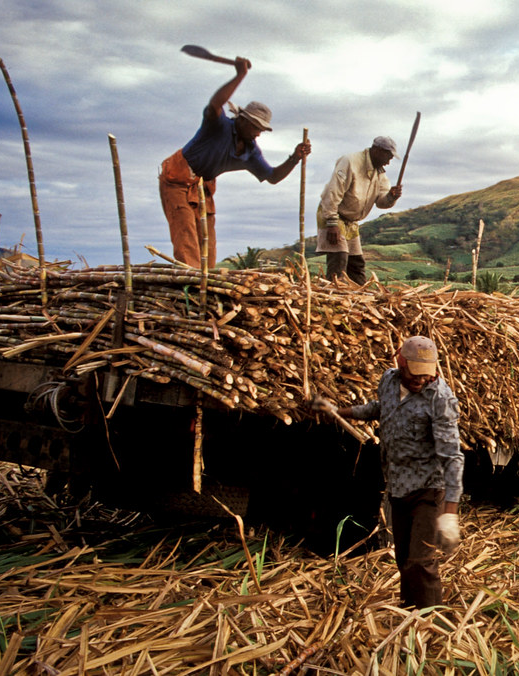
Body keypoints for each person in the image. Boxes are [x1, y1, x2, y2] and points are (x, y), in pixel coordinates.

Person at [312, 336, 462, 609]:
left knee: (422, 561)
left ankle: (431, 622)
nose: (420, 380)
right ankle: (408, 614)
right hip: (397, 485)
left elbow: (452, 456)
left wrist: (450, 511)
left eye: (426, 374)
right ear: (400, 362)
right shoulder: (389, 381)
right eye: (414, 373)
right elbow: (379, 409)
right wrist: (340, 411)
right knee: (404, 558)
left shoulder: (441, 398)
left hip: (429, 488)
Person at [159, 57, 312, 268]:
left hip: (203, 187)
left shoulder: (250, 152)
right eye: (256, 127)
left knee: (207, 242)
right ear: (242, 120)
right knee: (186, 235)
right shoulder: (218, 126)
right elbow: (214, 105)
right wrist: (240, 75)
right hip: (177, 178)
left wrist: (295, 158)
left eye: (261, 129)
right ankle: (192, 283)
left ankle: (207, 280)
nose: (258, 133)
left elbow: (273, 177)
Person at [316, 137, 404, 284]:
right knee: (339, 257)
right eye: (387, 157)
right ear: (376, 151)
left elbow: (382, 202)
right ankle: (335, 294)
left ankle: (361, 297)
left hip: (351, 222)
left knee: (356, 263)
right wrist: (332, 223)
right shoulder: (350, 162)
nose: (388, 162)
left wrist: (391, 196)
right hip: (333, 214)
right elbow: (333, 192)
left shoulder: (379, 174)